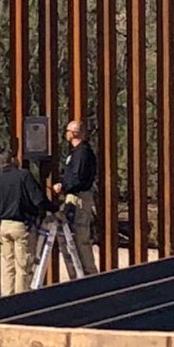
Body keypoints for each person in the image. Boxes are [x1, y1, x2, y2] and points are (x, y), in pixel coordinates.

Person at [0, 152, 54, 295]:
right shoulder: (24, 176)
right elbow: (39, 199)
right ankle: (21, 300)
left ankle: (7, 298)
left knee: (8, 266)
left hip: (4, 226)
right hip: (22, 226)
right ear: (13, 160)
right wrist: (53, 209)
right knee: (24, 266)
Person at [53, 118, 101, 281]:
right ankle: (78, 274)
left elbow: (78, 178)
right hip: (73, 197)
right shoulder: (76, 153)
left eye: (67, 131)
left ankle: (90, 275)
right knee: (70, 237)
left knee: (81, 237)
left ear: (75, 133)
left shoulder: (82, 153)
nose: (65, 134)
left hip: (79, 198)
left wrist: (64, 186)